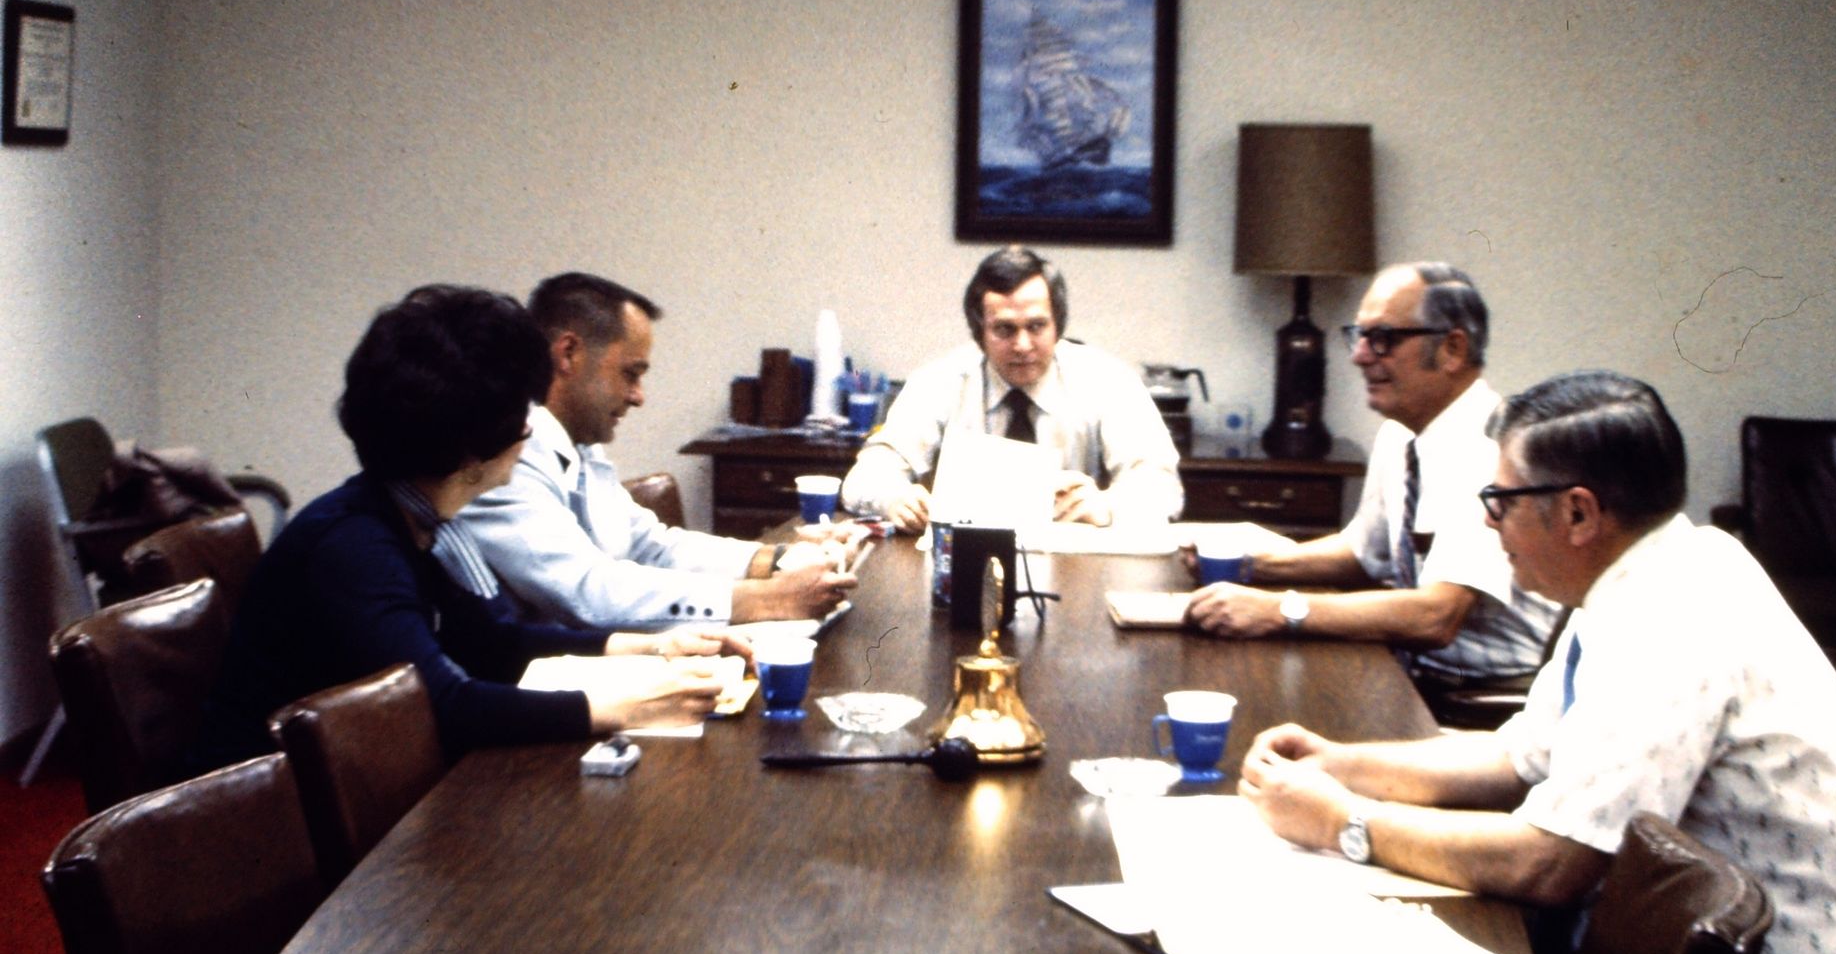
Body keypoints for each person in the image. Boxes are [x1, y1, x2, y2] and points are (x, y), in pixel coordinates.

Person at [1237, 370, 1836, 954]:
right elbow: (1520, 756)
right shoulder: (1648, 568)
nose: (1488, 521)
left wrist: (1343, 821)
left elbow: (1553, 863)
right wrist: (1343, 764)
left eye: (1500, 500)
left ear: (1579, 513)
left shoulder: (1673, 618)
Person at [195, 286, 731, 770]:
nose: (529, 428)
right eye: (520, 411)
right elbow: (443, 707)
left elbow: (490, 642)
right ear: (474, 443)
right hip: (278, 816)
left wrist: (650, 648)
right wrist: (626, 706)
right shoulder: (352, 548)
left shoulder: (418, 518)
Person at [1186, 263, 1560, 700]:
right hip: (1416, 672)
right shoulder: (1401, 433)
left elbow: (1437, 617)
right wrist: (1242, 563)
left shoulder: (1488, 450)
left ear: (1452, 349)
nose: (1360, 356)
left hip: (1480, 699)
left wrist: (1277, 609)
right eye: (1359, 336)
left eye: (1382, 339)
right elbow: (1365, 554)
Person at [458, 272, 860, 632]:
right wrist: (765, 600)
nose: (638, 396)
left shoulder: (578, 447)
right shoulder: (507, 455)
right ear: (568, 354)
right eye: (630, 373)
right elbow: (584, 592)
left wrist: (776, 559)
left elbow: (652, 546)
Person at [840, 245, 1182, 532]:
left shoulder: (1108, 380)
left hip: (1076, 567)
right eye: (1005, 329)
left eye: (1036, 326)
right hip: (964, 565)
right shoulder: (939, 382)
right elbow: (865, 477)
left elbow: (1163, 487)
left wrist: (1108, 506)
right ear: (980, 332)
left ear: (1058, 325)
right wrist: (893, 498)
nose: (1022, 345)